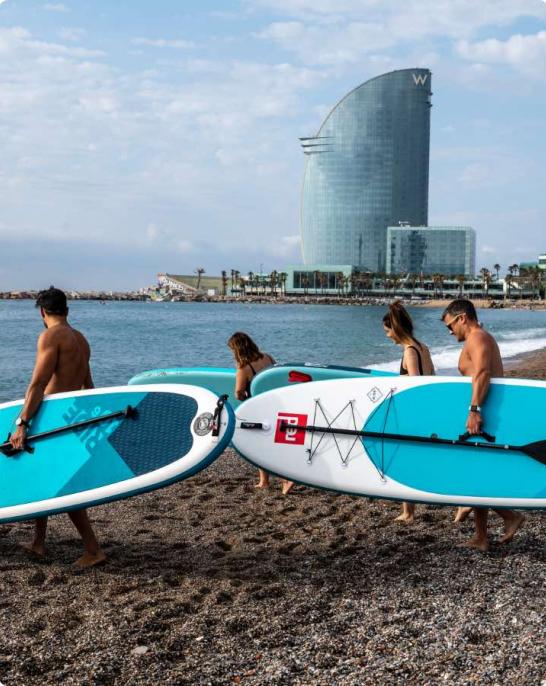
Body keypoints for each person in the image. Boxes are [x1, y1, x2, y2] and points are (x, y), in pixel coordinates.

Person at [10, 287, 106, 568]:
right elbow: (89, 388)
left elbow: (38, 384)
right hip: (72, 416)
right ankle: (38, 542)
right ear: (67, 310)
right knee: (45, 478)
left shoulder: (50, 336)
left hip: (49, 417)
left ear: (41, 311)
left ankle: (93, 549)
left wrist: (22, 423)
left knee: (61, 484)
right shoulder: (81, 340)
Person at [442, 299, 524, 551]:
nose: (449, 331)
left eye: (450, 325)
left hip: (484, 410)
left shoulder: (477, 338)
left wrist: (474, 410)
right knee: (476, 471)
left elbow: (483, 373)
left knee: (474, 471)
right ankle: (483, 535)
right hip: (485, 407)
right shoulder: (479, 337)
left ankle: (508, 517)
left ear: (462, 318)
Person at [383, 301, 435, 522]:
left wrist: (395, 381)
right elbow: (431, 377)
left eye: (387, 331)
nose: (387, 336)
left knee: (405, 459)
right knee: (411, 458)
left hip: (414, 413)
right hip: (426, 408)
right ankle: (407, 511)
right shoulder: (422, 346)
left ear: (396, 329)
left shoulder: (410, 351)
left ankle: (409, 513)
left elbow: (414, 384)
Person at [227, 331, 294, 495]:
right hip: (276, 404)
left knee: (259, 445)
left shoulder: (244, 368)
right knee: (273, 442)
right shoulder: (268, 358)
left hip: (259, 408)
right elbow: (277, 377)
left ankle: (285, 478)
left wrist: (241, 398)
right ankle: (264, 481)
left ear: (237, 350)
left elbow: (238, 392)